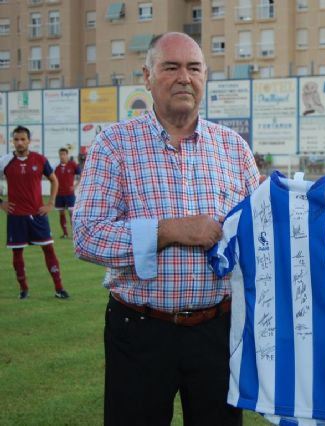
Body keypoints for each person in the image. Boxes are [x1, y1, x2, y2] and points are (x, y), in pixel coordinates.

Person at [73, 32, 261, 426]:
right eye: (170, 67)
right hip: (141, 329)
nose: (183, 78)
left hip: (217, 329)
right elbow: (87, 235)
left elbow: (259, 237)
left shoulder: (233, 148)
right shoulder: (114, 144)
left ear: (205, 76)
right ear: (147, 75)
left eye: (194, 68)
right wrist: (168, 231)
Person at [0, 125, 69, 300]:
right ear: (12, 141)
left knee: (49, 249)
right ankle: (23, 289)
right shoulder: (5, 161)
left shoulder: (39, 160)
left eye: (23, 139)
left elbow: (54, 180)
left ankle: (59, 288)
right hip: (16, 216)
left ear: (29, 141)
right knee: (17, 253)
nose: (19, 142)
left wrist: (50, 203)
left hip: (38, 215)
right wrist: (1, 203)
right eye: (16, 139)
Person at [54, 147, 80, 238]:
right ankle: (65, 233)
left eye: (64, 154)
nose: (62, 156)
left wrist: (75, 186)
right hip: (59, 195)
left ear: (67, 155)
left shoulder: (72, 164)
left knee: (72, 213)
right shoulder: (56, 167)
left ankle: (75, 233)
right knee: (61, 213)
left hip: (70, 195)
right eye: (60, 154)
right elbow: (53, 180)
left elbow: (82, 174)